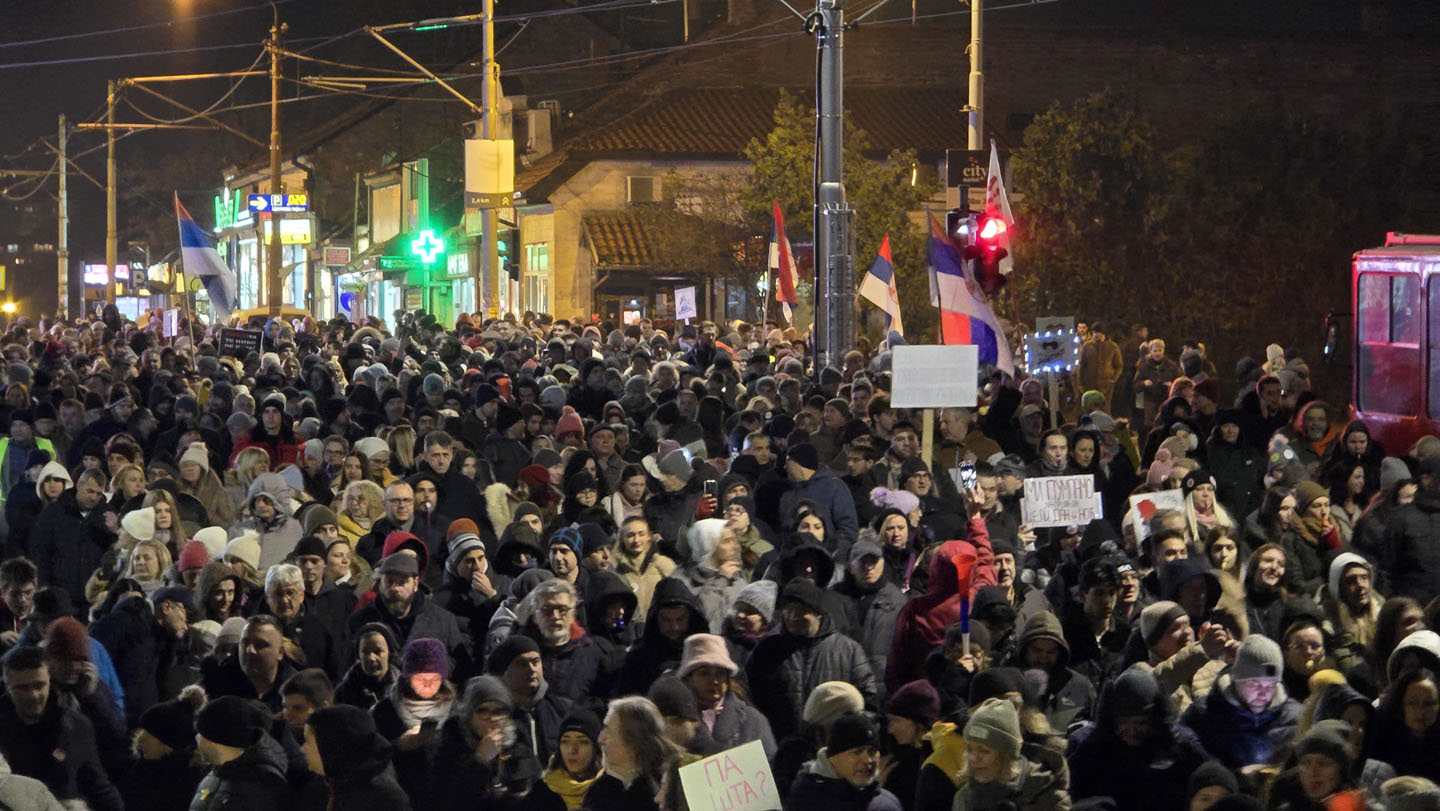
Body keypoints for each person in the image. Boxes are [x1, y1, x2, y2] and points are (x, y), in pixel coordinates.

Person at [746, 579, 878, 741]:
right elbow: (750, 696)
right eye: (789, 610)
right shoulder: (767, 649)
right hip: (781, 748)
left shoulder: (848, 650)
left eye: (801, 610)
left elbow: (867, 700)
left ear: (818, 613)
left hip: (831, 748)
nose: (793, 617)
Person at [1065, 666, 1210, 811]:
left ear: (1155, 720)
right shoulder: (1090, 747)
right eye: (1123, 722)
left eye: (1141, 723)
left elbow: (1213, 786)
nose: (1131, 731)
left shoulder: (1180, 745)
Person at [0, 645, 123, 811]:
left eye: (39, 685)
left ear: (49, 679)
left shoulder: (74, 726)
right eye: (22, 688)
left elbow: (97, 785)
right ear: (7, 686)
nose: (33, 695)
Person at [1183, 634, 1301, 770]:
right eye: (1255, 684)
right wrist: (1227, 774)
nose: (1263, 693)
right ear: (1236, 680)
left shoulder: (1294, 717)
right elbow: (1184, 743)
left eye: (1270, 685)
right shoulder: (1205, 713)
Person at [951, 697, 1071, 811]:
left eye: (984, 751)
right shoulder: (965, 797)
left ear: (1006, 755)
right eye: (969, 749)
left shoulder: (1047, 793)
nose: (973, 758)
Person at [677, 633, 776, 757]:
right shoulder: (674, 722)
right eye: (704, 673)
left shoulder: (753, 720)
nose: (714, 681)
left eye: (720, 673)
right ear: (689, 678)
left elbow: (770, 764)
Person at [302, 703, 414, 811]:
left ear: (332, 747)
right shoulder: (327, 784)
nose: (302, 749)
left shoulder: (384, 797)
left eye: (308, 742)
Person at [192, 694, 295, 808]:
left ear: (216, 739)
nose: (197, 738)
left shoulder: (264, 785)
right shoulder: (212, 775)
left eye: (201, 733)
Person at [788, 712, 903, 811]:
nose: (868, 760)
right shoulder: (807, 799)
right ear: (833, 758)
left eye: (872, 752)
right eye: (857, 752)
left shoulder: (885, 805)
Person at [585, 696, 679, 811]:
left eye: (608, 731)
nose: (600, 739)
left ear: (633, 741)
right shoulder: (598, 792)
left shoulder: (666, 791)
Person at [527, 707, 604, 810]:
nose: (572, 750)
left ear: (596, 748)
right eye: (565, 741)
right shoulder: (542, 792)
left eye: (582, 742)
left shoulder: (610, 791)